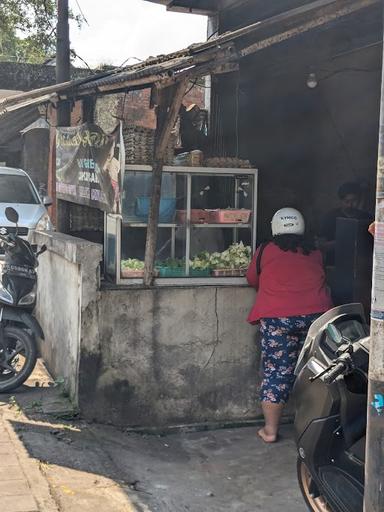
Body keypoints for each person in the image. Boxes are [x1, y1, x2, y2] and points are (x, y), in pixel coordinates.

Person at [246, 207, 333, 443]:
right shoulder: (315, 251)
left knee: (277, 372)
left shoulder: (265, 250)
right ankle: (314, 425)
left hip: (277, 319)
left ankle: (270, 431)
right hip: (316, 318)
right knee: (317, 370)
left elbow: (252, 278)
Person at [320, 182, 372, 264]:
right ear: (341, 201)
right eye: (347, 201)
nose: (350, 205)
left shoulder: (367, 218)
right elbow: (322, 246)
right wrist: (341, 243)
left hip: (360, 265)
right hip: (334, 264)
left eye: (354, 201)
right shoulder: (330, 217)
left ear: (359, 200)